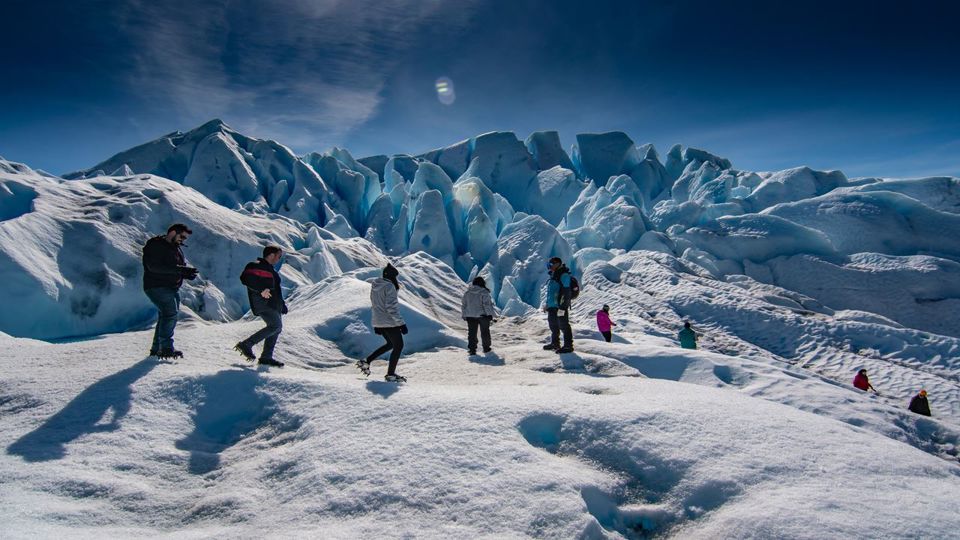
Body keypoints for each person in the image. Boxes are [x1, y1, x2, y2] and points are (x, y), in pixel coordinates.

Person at [142, 223, 198, 359]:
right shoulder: (156, 245)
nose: (183, 240)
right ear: (173, 232)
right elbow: (153, 267)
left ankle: (157, 349)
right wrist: (180, 270)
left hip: (170, 287)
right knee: (169, 314)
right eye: (182, 237)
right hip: (157, 286)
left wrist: (185, 273)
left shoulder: (175, 248)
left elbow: (173, 267)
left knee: (165, 316)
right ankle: (166, 348)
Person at [234, 246, 287, 367]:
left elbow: (276, 290)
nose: (279, 259)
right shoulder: (256, 265)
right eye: (279, 256)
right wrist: (261, 289)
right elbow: (245, 278)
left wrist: (282, 304)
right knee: (275, 325)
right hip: (263, 303)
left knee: (276, 329)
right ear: (272, 255)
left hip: (273, 304)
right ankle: (246, 344)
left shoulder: (270, 270)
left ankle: (266, 357)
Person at [357, 263, 408, 382]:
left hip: (379, 321)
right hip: (389, 321)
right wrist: (401, 324)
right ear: (391, 276)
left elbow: (375, 305)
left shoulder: (375, 285)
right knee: (399, 345)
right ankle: (390, 374)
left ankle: (367, 361)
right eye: (395, 277)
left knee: (391, 344)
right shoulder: (389, 286)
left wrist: (376, 324)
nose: (396, 279)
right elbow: (391, 307)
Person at [543, 256, 574, 354]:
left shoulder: (563, 275)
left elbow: (566, 291)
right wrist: (547, 304)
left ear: (557, 264)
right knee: (553, 325)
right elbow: (550, 292)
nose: (549, 267)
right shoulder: (554, 275)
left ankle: (568, 346)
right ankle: (555, 343)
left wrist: (563, 306)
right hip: (552, 306)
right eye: (548, 265)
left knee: (563, 325)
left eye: (551, 265)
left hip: (560, 306)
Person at [462, 276, 497, 355]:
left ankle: (472, 349)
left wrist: (464, 315)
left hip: (470, 316)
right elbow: (486, 305)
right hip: (483, 316)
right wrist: (489, 314)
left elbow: (464, 305)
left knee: (472, 333)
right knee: (485, 332)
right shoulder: (484, 292)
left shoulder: (467, 292)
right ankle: (486, 348)